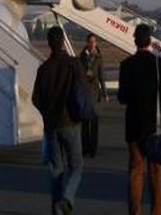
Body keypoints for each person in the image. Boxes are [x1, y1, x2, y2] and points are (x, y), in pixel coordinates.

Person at [32, 26, 84, 215]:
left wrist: (47, 113)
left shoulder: (43, 69)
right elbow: (83, 90)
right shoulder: (73, 63)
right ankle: (67, 198)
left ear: (48, 44)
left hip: (52, 125)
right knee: (77, 166)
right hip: (71, 122)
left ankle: (57, 210)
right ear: (63, 42)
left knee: (56, 169)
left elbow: (35, 99)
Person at [118, 23, 161, 215]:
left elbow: (122, 97)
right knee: (156, 172)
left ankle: (135, 210)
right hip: (154, 123)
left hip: (133, 125)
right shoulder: (160, 64)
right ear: (150, 41)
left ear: (135, 40)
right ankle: (157, 211)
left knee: (135, 170)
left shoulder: (126, 65)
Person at [79, 33, 107, 158]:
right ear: (87, 42)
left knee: (94, 121)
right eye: (90, 41)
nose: (92, 43)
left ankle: (93, 149)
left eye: (94, 41)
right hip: (85, 91)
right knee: (85, 121)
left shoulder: (99, 57)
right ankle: (85, 148)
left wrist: (105, 93)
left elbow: (102, 76)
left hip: (95, 92)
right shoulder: (82, 56)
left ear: (96, 43)